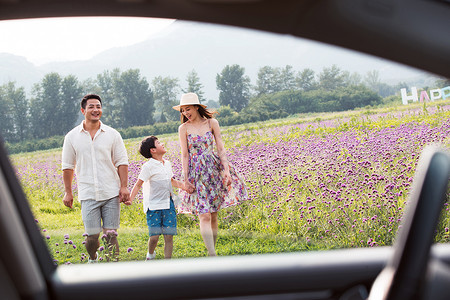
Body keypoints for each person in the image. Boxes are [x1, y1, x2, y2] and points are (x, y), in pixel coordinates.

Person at [173, 92, 248, 256]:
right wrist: (185, 179)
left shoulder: (212, 123)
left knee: (213, 214)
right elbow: (184, 155)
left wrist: (226, 171)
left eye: (188, 109)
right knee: (204, 214)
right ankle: (213, 254)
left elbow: (220, 148)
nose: (186, 113)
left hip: (213, 170)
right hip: (195, 173)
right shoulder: (183, 128)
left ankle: (211, 252)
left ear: (196, 107)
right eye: (183, 111)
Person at [61, 93, 130, 263]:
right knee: (92, 237)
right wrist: (68, 192)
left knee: (110, 235)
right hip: (88, 193)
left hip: (110, 192)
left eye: (98, 106)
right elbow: (68, 167)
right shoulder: (71, 137)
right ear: (83, 110)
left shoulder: (113, 134)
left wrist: (124, 187)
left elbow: (122, 162)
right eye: (91, 106)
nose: (95, 109)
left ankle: (113, 269)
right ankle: (93, 257)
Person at [127, 136, 193, 260]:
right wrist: (130, 199)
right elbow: (138, 184)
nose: (162, 144)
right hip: (153, 206)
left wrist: (185, 187)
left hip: (168, 204)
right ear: (153, 150)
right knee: (154, 237)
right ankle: (150, 254)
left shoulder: (167, 164)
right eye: (158, 143)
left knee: (169, 236)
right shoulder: (148, 167)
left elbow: (172, 181)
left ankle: (167, 262)